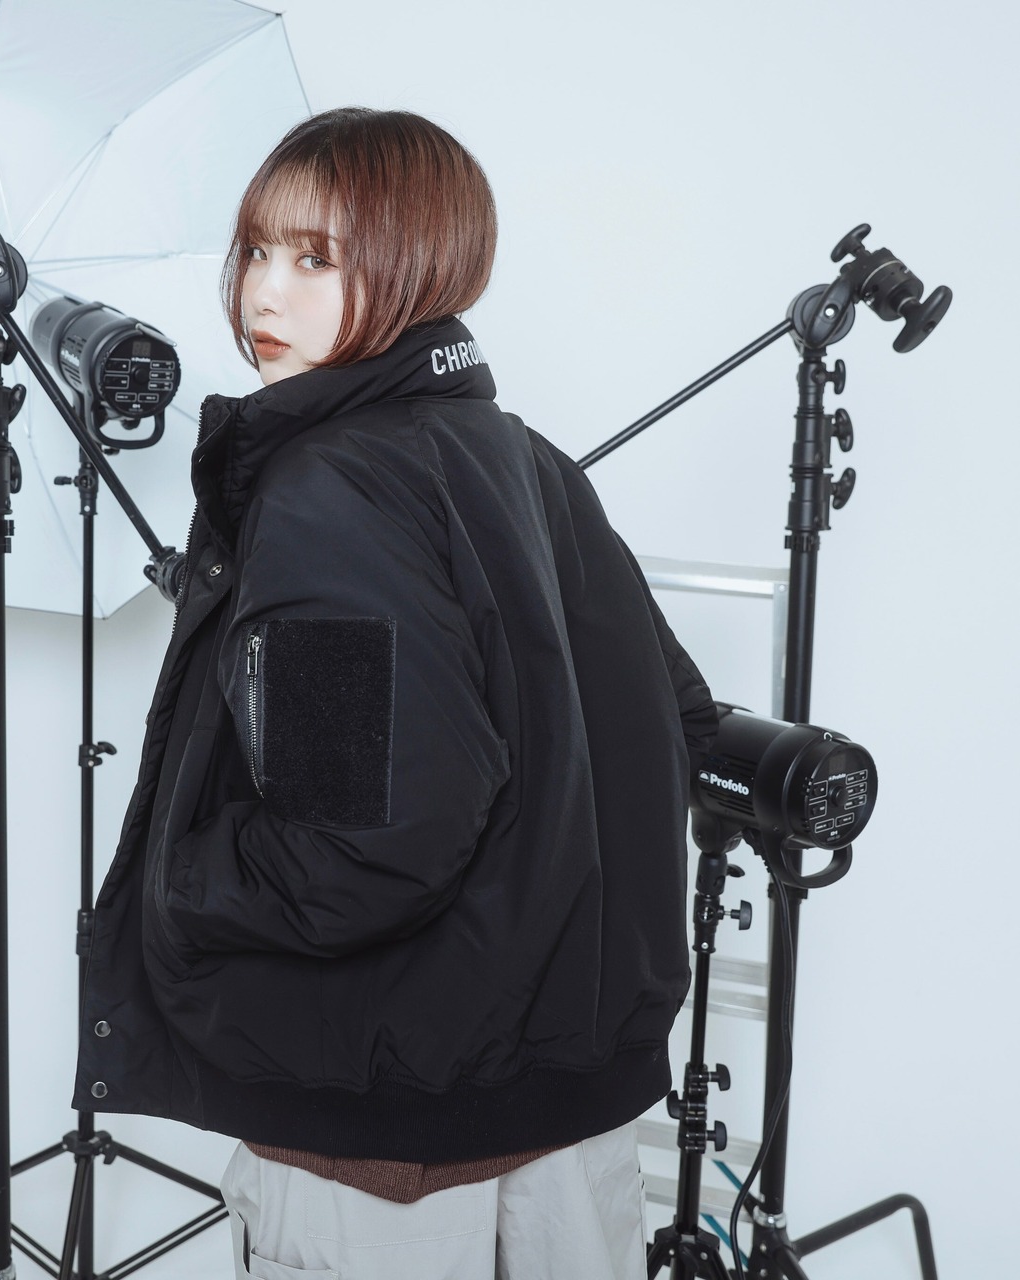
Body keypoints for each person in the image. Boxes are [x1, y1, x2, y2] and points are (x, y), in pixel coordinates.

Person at [75, 107, 716, 1280]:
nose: (263, 292)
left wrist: (182, 880)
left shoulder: (331, 487)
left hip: (381, 1152)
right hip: (569, 1122)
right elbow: (675, 717)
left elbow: (362, 843)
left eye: (315, 257)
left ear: (417, 261)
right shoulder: (526, 459)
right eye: (255, 249)